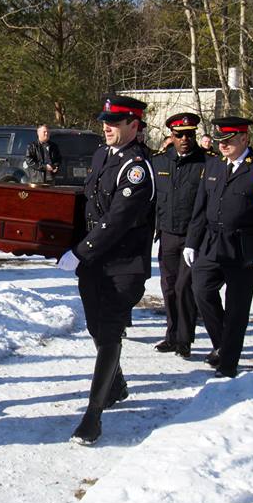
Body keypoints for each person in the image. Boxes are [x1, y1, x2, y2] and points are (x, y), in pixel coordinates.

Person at [57, 94, 155, 446]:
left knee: (110, 333)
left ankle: (92, 416)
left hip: (123, 265)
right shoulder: (102, 154)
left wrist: (80, 252)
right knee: (98, 328)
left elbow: (117, 220)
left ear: (134, 124)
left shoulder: (137, 167)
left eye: (115, 122)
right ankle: (117, 384)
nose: (107, 127)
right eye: (105, 121)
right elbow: (88, 204)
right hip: (96, 262)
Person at [184, 117, 253, 379]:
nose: (223, 146)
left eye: (229, 141)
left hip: (244, 247)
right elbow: (200, 207)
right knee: (201, 290)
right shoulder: (214, 164)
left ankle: (228, 363)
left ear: (244, 138)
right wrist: (191, 242)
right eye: (219, 141)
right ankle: (222, 343)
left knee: (237, 307)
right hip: (212, 242)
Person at [151, 113, 208, 359]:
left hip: (192, 235)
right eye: (179, 135)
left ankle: (185, 339)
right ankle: (171, 335)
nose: (185, 139)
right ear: (170, 137)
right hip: (167, 234)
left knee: (185, 287)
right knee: (169, 287)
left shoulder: (206, 163)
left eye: (189, 134)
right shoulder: (160, 162)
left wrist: (196, 239)